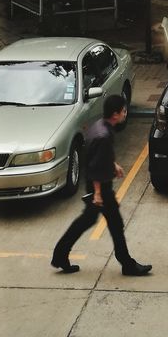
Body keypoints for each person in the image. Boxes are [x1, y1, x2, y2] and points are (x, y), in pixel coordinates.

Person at [50, 93, 152, 277]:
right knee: (115, 224)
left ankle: (60, 255)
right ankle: (127, 265)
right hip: (100, 188)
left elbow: (96, 154)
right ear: (115, 114)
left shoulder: (99, 126)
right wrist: (97, 194)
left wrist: (113, 165)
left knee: (90, 221)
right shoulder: (105, 135)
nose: (125, 113)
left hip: (98, 185)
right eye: (123, 111)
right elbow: (97, 166)